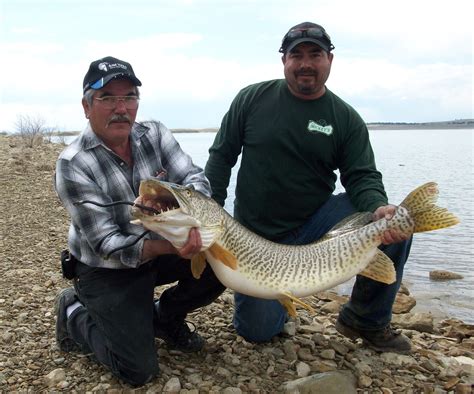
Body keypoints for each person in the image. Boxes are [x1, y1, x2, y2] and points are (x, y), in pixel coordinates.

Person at [204, 22, 412, 353]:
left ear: (329, 59)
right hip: (253, 239)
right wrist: (209, 211)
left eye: (315, 54)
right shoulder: (251, 99)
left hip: (316, 225)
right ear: (283, 60)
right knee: (256, 332)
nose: (305, 63)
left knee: (395, 222)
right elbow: (221, 158)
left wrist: (379, 207)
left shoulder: (345, 118)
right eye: (295, 54)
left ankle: (364, 319)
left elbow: (361, 177)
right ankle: (283, 300)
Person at [54, 56, 225, 386]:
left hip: (160, 251)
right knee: (138, 371)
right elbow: (107, 245)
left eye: (129, 96)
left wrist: (189, 219)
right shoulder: (73, 164)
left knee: (220, 262)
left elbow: (196, 179)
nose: (121, 107)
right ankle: (74, 312)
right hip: (106, 269)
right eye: (108, 98)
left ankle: (165, 317)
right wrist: (172, 245)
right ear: (87, 106)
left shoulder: (155, 133)